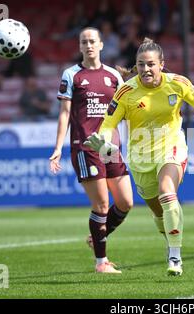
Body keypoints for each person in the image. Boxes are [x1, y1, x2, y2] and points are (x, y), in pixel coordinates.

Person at [84, 38, 194, 276]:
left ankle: (175, 257)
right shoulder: (126, 91)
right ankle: (169, 239)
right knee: (159, 211)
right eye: (141, 65)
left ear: (161, 64)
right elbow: (109, 122)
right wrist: (105, 141)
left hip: (171, 147)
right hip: (140, 158)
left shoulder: (178, 84)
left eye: (151, 64)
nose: (146, 69)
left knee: (167, 191)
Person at [49, 27, 133, 274]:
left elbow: (124, 111)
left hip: (110, 147)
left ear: (102, 45)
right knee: (101, 206)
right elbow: (64, 113)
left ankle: (96, 235)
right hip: (85, 147)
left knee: (126, 202)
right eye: (84, 42)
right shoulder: (71, 74)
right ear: (80, 46)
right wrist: (57, 148)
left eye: (92, 41)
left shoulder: (113, 76)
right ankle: (101, 262)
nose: (88, 45)